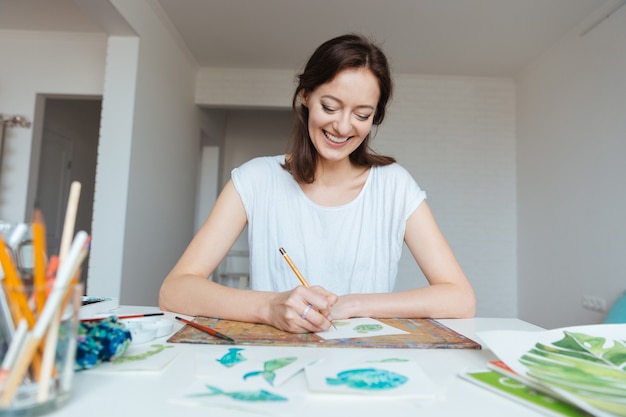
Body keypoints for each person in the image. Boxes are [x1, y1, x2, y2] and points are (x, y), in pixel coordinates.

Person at [159, 33, 476, 333]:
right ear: (305, 96)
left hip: (361, 370)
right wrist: (270, 306)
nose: (342, 126)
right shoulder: (256, 179)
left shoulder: (394, 186)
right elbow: (175, 290)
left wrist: (353, 304)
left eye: (362, 115)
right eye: (330, 107)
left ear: (375, 118)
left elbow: (460, 298)